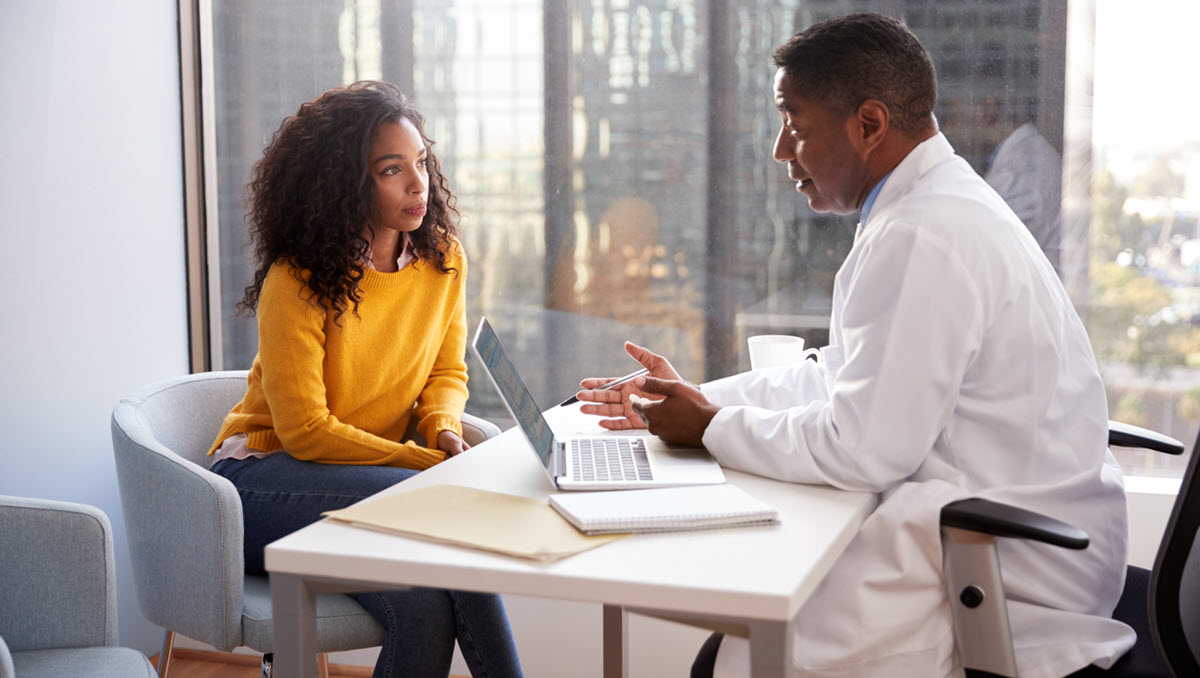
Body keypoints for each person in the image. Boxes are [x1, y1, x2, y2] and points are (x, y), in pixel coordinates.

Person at [576, 13, 1132, 678]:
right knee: (742, 637)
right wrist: (699, 403)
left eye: (796, 123)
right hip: (1011, 530)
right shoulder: (931, 206)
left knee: (747, 655)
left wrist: (713, 428)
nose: (782, 150)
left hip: (1006, 569)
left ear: (868, 125)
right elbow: (840, 375)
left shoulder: (923, 232)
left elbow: (867, 448)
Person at [207, 81, 524, 678]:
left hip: (370, 481)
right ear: (345, 184)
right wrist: (424, 465)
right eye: (391, 170)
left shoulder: (443, 261)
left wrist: (441, 426)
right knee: (446, 509)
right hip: (259, 486)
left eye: (421, 163)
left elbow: (445, 371)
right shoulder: (296, 280)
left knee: (427, 606)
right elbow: (304, 432)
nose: (417, 183)